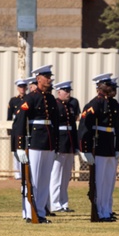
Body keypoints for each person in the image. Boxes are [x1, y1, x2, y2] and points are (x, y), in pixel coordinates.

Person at [13, 65, 59, 223]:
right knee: (33, 179)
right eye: (46, 77)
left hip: (49, 142)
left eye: (50, 77)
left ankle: (40, 212)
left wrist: (56, 144)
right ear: (38, 79)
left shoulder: (51, 98)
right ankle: (28, 212)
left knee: (44, 180)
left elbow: (55, 122)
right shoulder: (30, 98)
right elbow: (19, 122)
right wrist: (19, 146)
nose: (49, 79)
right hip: (35, 142)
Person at [79, 73, 119, 222]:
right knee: (99, 182)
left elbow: (116, 129)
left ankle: (106, 211)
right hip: (99, 146)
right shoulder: (93, 105)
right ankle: (99, 211)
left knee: (109, 182)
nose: (112, 89)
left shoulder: (114, 104)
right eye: (108, 86)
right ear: (100, 87)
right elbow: (84, 128)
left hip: (109, 146)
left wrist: (117, 148)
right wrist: (85, 149)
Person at [50, 80, 81, 213]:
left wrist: (76, 145)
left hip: (69, 143)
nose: (68, 93)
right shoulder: (55, 105)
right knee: (56, 175)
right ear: (59, 92)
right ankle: (54, 203)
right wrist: (55, 146)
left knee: (66, 176)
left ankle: (64, 203)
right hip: (60, 143)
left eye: (69, 91)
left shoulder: (70, 106)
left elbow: (73, 127)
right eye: (65, 91)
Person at [6, 78, 30, 181]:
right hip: (16, 127)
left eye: (24, 87)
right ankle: (17, 173)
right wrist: (8, 128)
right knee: (16, 149)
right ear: (17, 88)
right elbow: (9, 115)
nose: (22, 89)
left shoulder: (29, 99)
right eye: (20, 87)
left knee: (26, 149)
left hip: (26, 127)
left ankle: (25, 171)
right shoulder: (13, 100)